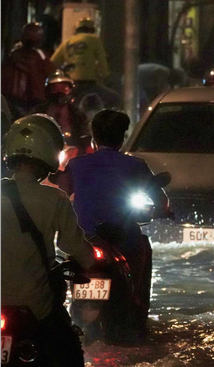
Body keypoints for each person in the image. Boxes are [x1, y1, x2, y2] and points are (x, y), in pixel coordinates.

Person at [57, 109, 169, 332]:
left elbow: (60, 196)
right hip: (123, 240)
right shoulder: (136, 165)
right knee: (142, 247)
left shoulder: (75, 165)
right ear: (123, 137)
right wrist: (160, 211)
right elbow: (162, 203)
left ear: (94, 137)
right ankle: (135, 300)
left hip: (84, 243)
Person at [1, 114, 95, 366]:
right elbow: (75, 248)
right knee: (69, 353)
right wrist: (93, 260)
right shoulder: (55, 199)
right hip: (35, 308)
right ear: (48, 154)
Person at [50, 17, 121, 109]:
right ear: (92, 29)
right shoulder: (94, 40)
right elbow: (102, 60)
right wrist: (105, 76)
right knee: (115, 99)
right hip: (89, 83)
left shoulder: (67, 42)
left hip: (71, 84)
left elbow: (52, 62)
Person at [1, 22, 57, 117]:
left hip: (15, 99)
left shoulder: (14, 54)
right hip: (32, 100)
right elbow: (50, 72)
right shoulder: (40, 56)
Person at [30, 71, 90, 149]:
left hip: (72, 153)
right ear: (49, 91)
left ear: (70, 91)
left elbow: (85, 134)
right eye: (55, 89)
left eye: (64, 88)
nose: (60, 92)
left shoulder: (78, 114)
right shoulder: (38, 112)